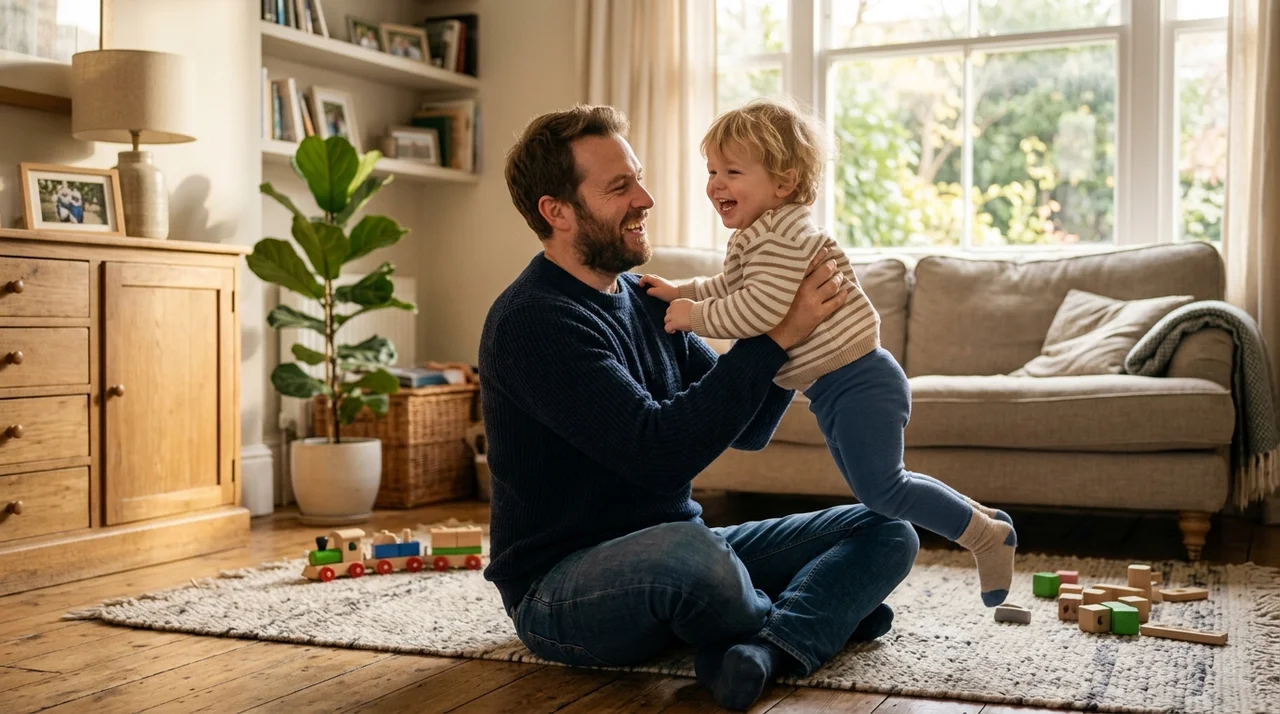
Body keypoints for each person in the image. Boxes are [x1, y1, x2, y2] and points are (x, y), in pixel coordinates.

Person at [478, 104, 920, 712]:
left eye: (638, 177)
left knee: (888, 526)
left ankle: (767, 645)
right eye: (620, 186)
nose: (646, 197)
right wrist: (775, 336)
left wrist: (798, 329)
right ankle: (816, 621)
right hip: (561, 588)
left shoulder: (643, 298)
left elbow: (752, 428)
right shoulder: (535, 321)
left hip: (681, 545)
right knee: (695, 558)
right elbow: (658, 454)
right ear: (556, 212)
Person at [639, 98, 1018, 608]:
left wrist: (693, 317)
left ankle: (981, 537)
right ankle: (989, 522)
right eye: (711, 171)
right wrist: (680, 289)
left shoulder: (784, 234)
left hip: (858, 381)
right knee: (882, 486)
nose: (715, 184)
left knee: (884, 491)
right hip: (838, 387)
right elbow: (728, 284)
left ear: (784, 183)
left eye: (732, 171)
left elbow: (760, 311)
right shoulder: (758, 234)